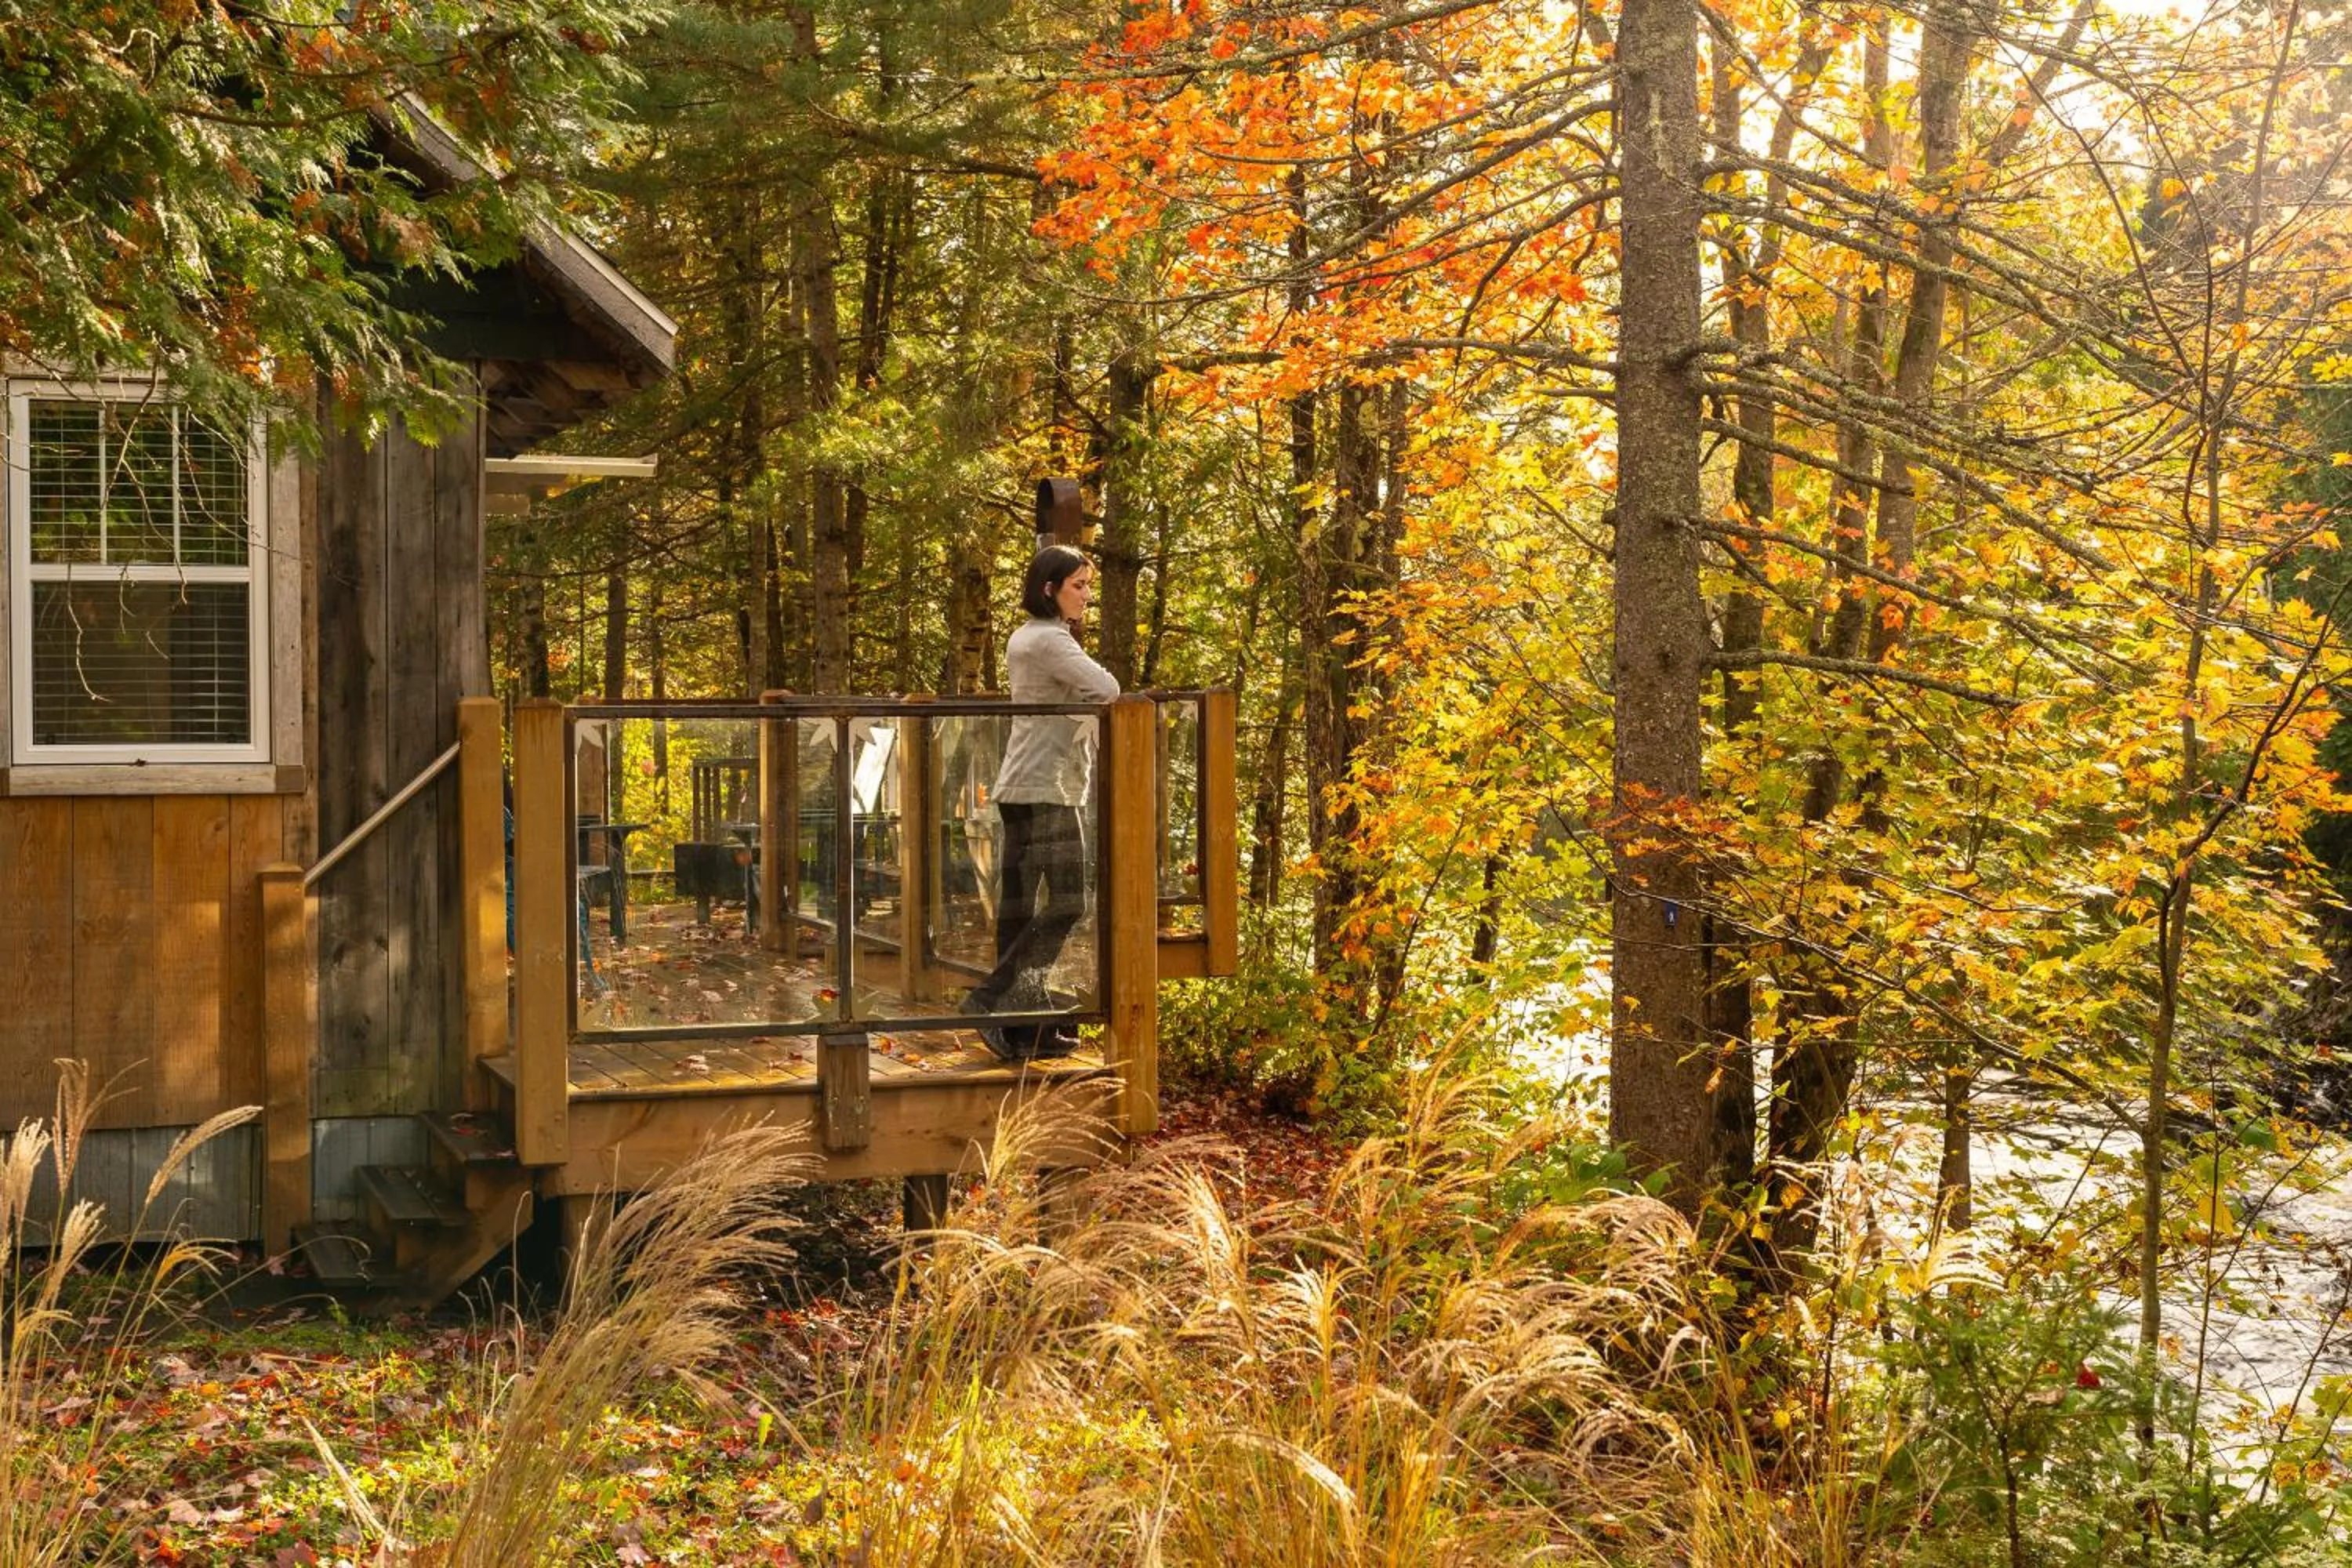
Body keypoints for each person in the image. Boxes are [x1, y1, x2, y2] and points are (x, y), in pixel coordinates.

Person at [967, 544, 1120, 1060]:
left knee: (1020, 911)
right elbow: (1107, 688)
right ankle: (991, 1001)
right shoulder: (1050, 640)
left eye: (1088, 585)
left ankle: (1024, 1028)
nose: (1087, 596)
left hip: (1023, 785)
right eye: (1079, 585)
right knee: (1070, 902)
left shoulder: (1026, 637)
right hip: (1045, 788)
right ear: (1050, 589)